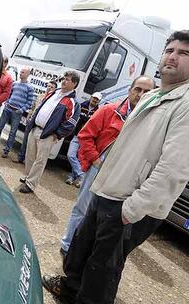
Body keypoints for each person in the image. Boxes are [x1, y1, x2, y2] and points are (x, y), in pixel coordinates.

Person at [42, 30, 189, 304]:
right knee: (80, 251)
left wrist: (131, 210)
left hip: (129, 204)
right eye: (169, 50)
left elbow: (175, 170)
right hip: (106, 191)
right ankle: (68, 288)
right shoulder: (153, 96)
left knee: (102, 270)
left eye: (184, 53)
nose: (173, 56)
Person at [60, 76, 155, 256]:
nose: (141, 94)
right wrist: (95, 160)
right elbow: (85, 135)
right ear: (130, 90)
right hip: (99, 168)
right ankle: (68, 246)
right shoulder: (109, 110)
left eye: (147, 91)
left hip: (123, 175)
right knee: (83, 209)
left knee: (103, 216)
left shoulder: (149, 121)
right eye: (138, 89)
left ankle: (84, 250)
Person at [19, 71, 81, 193]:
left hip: (48, 135)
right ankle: (27, 176)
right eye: (64, 78)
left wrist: (56, 134)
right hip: (36, 128)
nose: (63, 81)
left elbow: (71, 123)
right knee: (30, 155)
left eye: (68, 79)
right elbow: (40, 108)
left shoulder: (73, 102)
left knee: (40, 160)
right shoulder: (53, 93)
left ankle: (31, 184)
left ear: (74, 84)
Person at [0, 67, 35, 158]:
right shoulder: (14, 84)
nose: (21, 73)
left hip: (17, 112)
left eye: (23, 72)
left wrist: (21, 110)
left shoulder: (30, 88)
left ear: (27, 74)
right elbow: (8, 94)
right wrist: (6, 103)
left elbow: (29, 102)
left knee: (12, 132)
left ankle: (6, 150)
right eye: (21, 72)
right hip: (7, 109)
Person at [13, 80, 57, 164]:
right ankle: (20, 158)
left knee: (34, 146)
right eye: (48, 86)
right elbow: (33, 107)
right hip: (31, 122)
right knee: (25, 140)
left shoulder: (52, 100)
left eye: (52, 87)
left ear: (55, 90)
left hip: (39, 125)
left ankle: (30, 162)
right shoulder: (40, 96)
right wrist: (28, 117)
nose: (49, 88)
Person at [65, 92, 101, 187]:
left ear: (99, 101)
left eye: (97, 99)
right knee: (70, 155)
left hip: (87, 139)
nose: (94, 100)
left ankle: (72, 178)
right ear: (91, 97)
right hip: (77, 135)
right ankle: (81, 175)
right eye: (94, 98)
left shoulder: (98, 111)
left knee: (79, 158)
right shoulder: (82, 106)